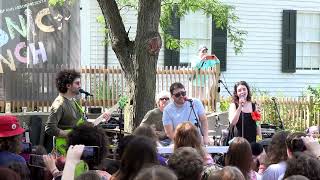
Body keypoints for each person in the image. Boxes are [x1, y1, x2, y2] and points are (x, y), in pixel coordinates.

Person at [45, 69, 110, 155]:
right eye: (77, 83)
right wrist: (70, 134)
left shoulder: (73, 101)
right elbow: (49, 128)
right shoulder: (59, 104)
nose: (80, 86)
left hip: (74, 146)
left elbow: (82, 122)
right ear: (68, 85)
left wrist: (102, 119)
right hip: (64, 148)